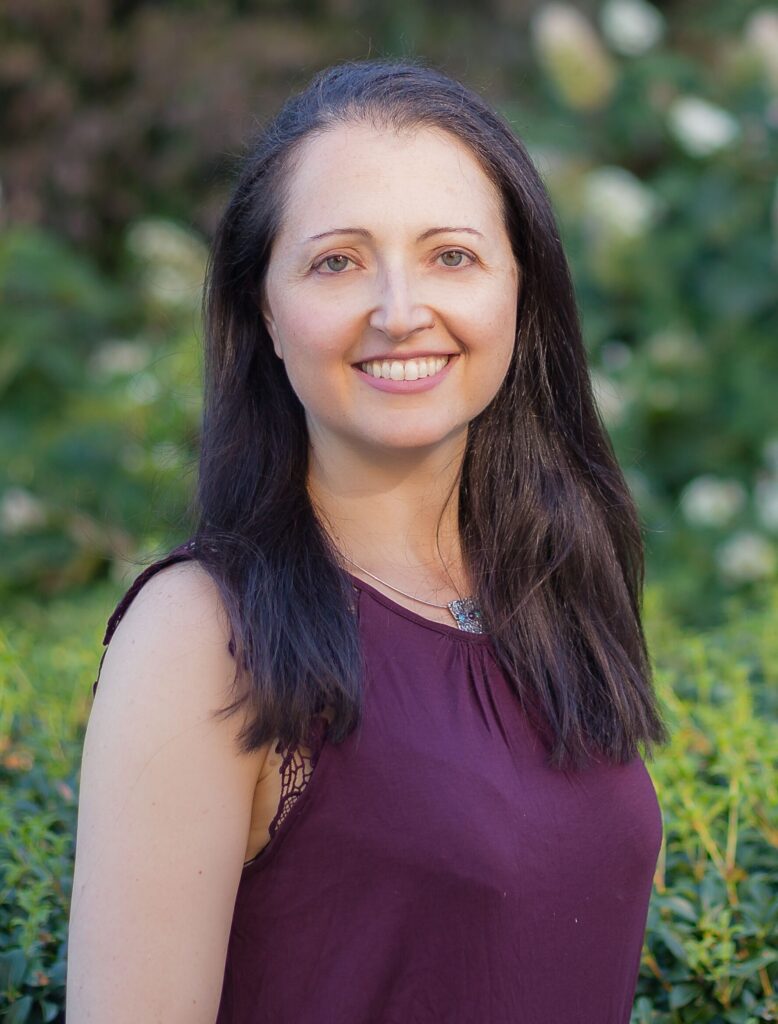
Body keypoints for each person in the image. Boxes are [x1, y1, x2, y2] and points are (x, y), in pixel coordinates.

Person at [66, 57, 669, 1023]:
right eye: (337, 261)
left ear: (521, 286)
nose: (399, 310)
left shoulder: (552, 585)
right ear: (263, 308)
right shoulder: (206, 635)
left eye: (452, 256)